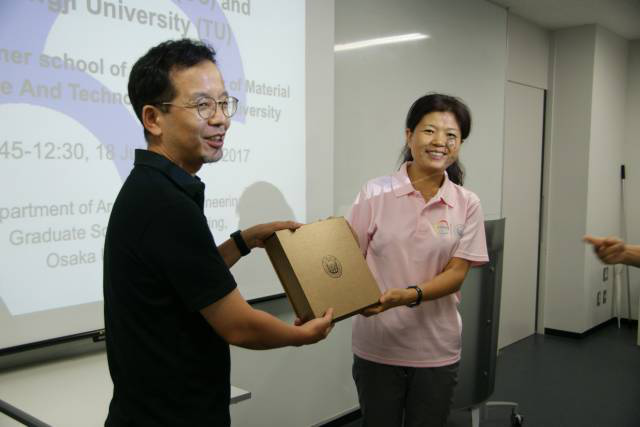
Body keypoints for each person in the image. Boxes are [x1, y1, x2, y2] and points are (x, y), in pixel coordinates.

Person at [103, 39, 333, 427]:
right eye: (202, 106)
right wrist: (302, 335)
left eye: (224, 103)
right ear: (153, 119)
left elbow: (189, 277)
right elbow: (239, 325)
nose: (221, 119)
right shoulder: (166, 206)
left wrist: (243, 241)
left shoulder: (152, 188)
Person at [347, 93, 489, 427]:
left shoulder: (467, 203)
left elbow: (457, 273)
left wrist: (407, 295)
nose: (440, 142)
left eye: (451, 135)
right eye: (429, 131)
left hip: (436, 347)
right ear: (409, 135)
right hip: (378, 343)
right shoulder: (374, 192)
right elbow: (349, 260)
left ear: (459, 144)